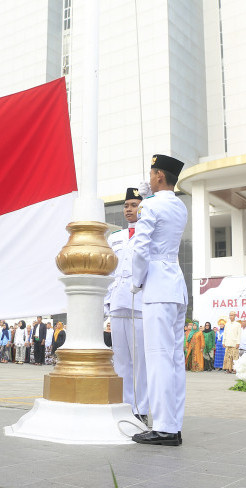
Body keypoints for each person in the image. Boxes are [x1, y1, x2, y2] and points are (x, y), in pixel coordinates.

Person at [130, 154, 187, 446]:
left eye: (151, 174)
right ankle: (173, 425)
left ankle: (163, 427)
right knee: (175, 359)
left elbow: (140, 250)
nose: (149, 178)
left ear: (159, 176)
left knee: (158, 357)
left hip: (157, 286)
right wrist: (148, 194)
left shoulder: (151, 206)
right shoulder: (179, 206)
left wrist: (136, 280)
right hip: (176, 283)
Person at [104, 186, 148, 419]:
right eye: (127, 205)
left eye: (134, 205)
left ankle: (141, 409)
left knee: (140, 360)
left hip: (140, 303)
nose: (129, 209)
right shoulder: (116, 237)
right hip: (118, 302)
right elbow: (110, 272)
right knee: (121, 360)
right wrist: (107, 306)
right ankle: (125, 406)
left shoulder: (149, 233)